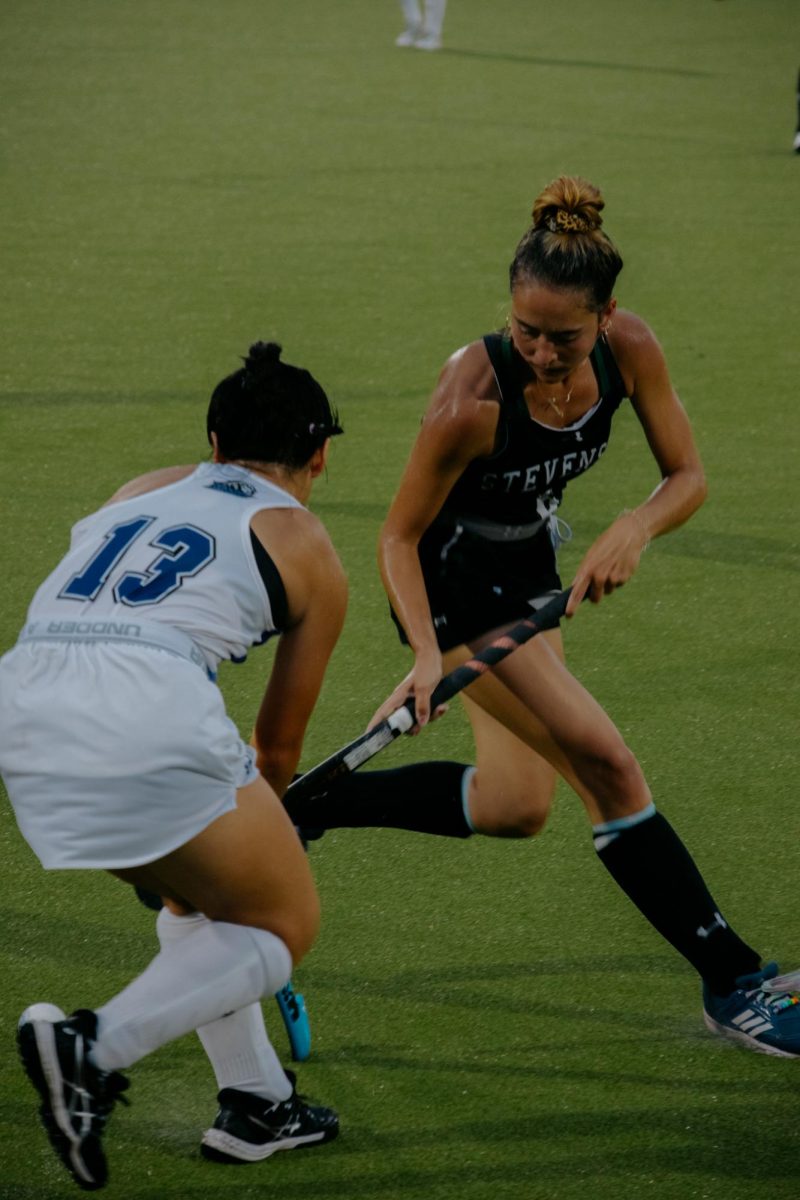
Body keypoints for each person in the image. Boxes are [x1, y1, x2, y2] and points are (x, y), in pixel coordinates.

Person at [286, 177, 800, 1058]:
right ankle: (735, 981)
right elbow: (399, 538)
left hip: (526, 571)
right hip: (450, 585)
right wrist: (422, 654)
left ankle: (308, 808)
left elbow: (688, 476)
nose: (542, 352)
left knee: (515, 805)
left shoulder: (629, 351)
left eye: (564, 335)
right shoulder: (470, 397)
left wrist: (634, 526)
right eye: (526, 329)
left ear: (607, 318)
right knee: (607, 762)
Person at [0, 341, 348, 1189]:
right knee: (279, 921)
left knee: (202, 895)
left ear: (214, 445)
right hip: (145, 712)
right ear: (320, 458)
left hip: (23, 701)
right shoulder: (304, 541)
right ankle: (89, 1049)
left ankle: (258, 1103)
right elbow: (278, 747)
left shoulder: (143, 489)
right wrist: (269, 829)